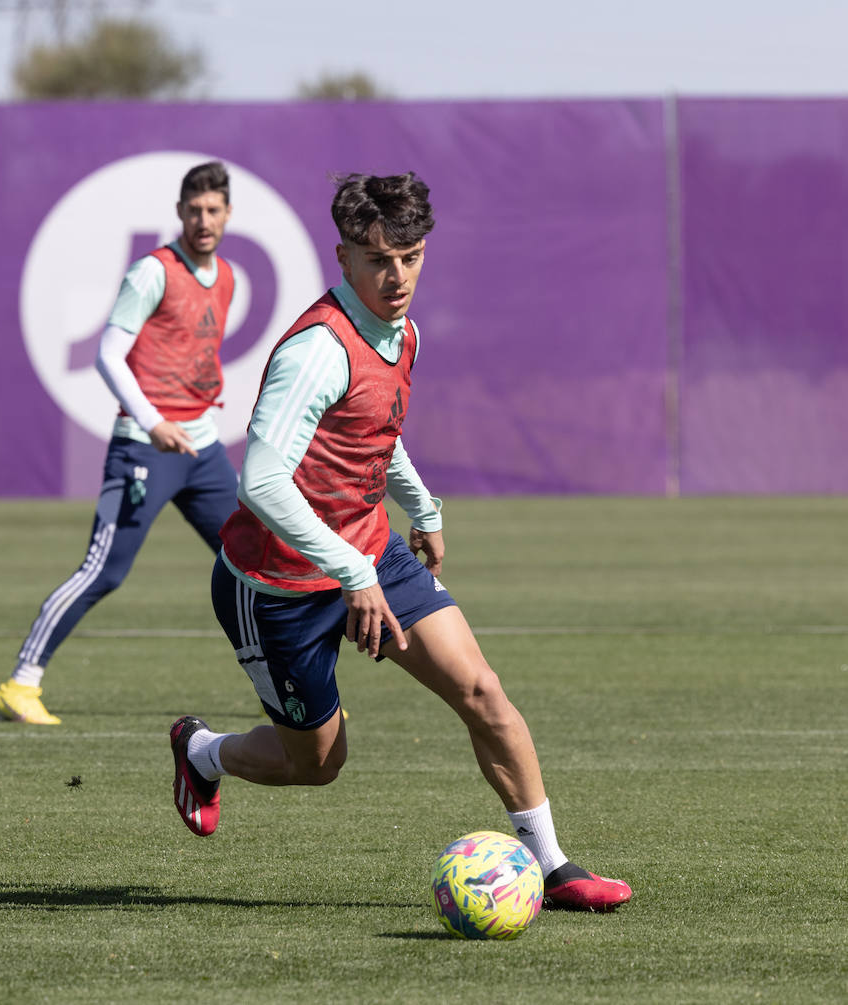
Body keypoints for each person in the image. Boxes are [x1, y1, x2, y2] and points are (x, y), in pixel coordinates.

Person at [168, 172, 632, 912]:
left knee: (483, 691)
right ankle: (201, 749)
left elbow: (375, 433)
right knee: (317, 763)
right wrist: (351, 571)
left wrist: (422, 507)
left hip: (370, 552)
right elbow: (260, 480)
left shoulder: (406, 332)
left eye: (411, 257)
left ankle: (553, 865)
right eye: (379, 259)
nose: (398, 276)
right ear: (344, 258)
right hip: (277, 584)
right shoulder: (317, 349)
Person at [0, 161, 240, 725]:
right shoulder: (152, 272)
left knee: (255, 560)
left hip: (201, 449)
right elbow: (107, 353)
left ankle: (300, 700)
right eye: (194, 210)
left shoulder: (226, 277)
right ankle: (19, 686)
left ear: (228, 215)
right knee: (105, 571)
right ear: (179, 213)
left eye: (214, 210)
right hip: (145, 447)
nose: (204, 220)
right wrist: (152, 422)